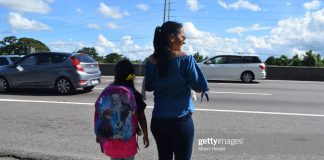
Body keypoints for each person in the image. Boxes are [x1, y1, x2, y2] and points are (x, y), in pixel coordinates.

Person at [144, 21, 209, 160]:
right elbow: (200, 86)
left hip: (158, 121)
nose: (185, 40)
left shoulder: (150, 61)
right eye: (183, 37)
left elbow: (148, 86)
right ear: (172, 38)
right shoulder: (186, 59)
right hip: (180, 122)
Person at [95, 59, 149, 160]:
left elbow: (100, 113)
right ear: (132, 75)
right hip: (128, 141)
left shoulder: (108, 91)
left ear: (115, 74)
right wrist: (145, 135)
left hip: (111, 142)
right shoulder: (133, 93)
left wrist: (99, 134)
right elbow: (141, 117)